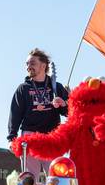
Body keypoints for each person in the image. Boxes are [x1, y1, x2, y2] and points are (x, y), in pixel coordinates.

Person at [7, 48, 69, 177]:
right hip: (30, 138)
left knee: (55, 177)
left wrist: (63, 104)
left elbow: (70, 113)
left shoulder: (57, 87)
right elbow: (15, 114)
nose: (28, 67)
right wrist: (11, 138)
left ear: (43, 65)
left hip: (51, 138)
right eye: (27, 64)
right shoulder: (23, 88)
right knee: (29, 178)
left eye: (32, 63)